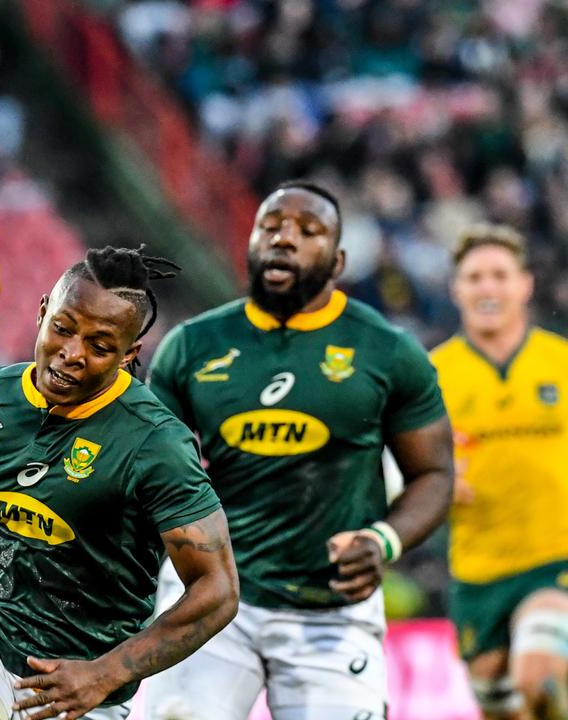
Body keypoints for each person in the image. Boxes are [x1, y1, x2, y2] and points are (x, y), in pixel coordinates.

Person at [143, 181, 455, 720]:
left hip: (330, 606)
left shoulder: (389, 351)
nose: (284, 238)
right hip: (210, 591)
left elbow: (434, 474)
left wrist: (384, 539)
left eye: (306, 231)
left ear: (337, 261)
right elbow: (146, 473)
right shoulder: (192, 346)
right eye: (271, 226)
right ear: (251, 244)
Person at [0, 247, 238, 720]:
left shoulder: (157, 445)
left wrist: (105, 673)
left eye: (99, 346)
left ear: (128, 354)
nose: (71, 354)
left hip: (83, 676)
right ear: (42, 312)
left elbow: (217, 589)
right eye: (62, 328)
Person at [431, 224, 568, 720]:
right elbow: (402, 470)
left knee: (540, 680)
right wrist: (436, 484)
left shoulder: (561, 363)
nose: (488, 287)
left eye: (499, 275)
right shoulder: (432, 376)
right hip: (479, 569)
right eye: (475, 277)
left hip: (555, 558)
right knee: (500, 706)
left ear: (525, 284)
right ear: (458, 289)